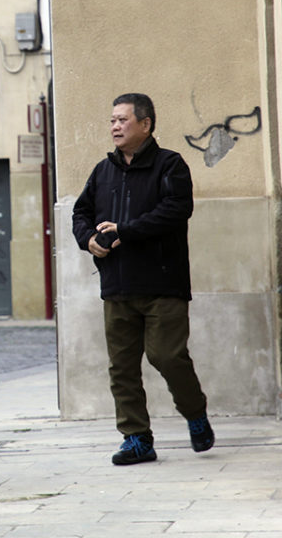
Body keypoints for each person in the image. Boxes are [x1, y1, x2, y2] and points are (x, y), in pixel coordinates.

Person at [72, 92, 215, 465]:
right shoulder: (103, 171)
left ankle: (195, 412)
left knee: (166, 356)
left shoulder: (170, 165)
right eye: (112, 120)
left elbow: (176, 210)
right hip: (117, 285)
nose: (115, 126)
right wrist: (88, 239)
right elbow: (81, 212)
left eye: (123, 119)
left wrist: (126, 231)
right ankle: (136, 438)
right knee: (121, 368)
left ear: (146, 124)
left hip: (162, 283)